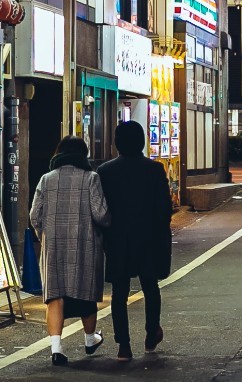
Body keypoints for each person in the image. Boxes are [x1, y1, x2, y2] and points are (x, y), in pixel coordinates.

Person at [28, 135, 110, 366]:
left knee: (55, 295)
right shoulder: (91, 178)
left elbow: (35, 215)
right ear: (83, 155)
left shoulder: (46, 179)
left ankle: (56, 349)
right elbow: (101, 214)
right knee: (86, 291)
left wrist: (44, 236)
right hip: (84, 242)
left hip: (53, 246)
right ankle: (89, 339)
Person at [97, 119, 173, 360]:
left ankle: (124, 346)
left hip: (118, 239)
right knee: (150, 286)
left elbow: (102, 209)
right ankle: (152, 333)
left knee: (120, 292)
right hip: (149, 238)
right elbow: (164, 208)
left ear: (117, 143)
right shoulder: (154, 170)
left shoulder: (105, 171)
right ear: (141, 142)